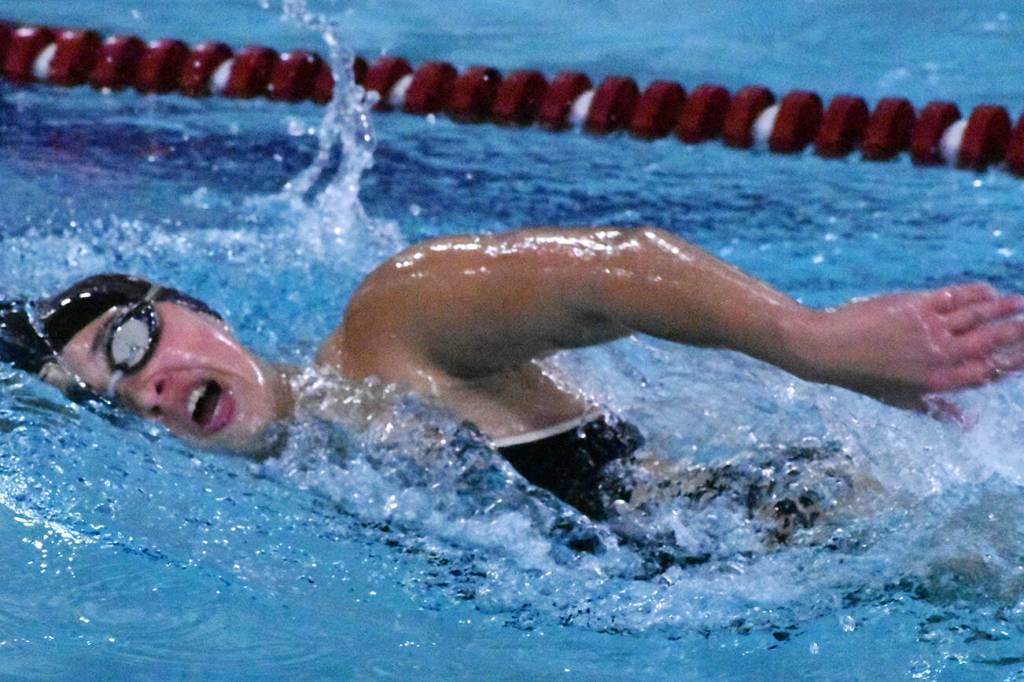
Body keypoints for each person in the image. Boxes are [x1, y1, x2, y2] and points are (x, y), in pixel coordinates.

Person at [4, 226, 1024, 524]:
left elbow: (613, 269)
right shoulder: (294, 489)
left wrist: (814, 340)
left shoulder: (387, 327)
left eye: (131, 345)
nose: (140, 388)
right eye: (111, 401)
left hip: (815, 522)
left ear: (195, 307)